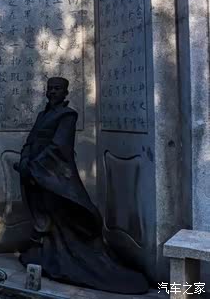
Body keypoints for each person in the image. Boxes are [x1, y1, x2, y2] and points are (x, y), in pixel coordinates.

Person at [12, 77, 148, 294]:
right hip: (36, 174)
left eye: (57, 89)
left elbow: (59, 147)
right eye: (50, 88)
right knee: (45, 216)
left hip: (54, 176)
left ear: (66, 92)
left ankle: (68, 258)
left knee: (62, 216)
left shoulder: (68, 115)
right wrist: (25, 160)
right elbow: (31, 140)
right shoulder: (42, 115)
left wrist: (35, 166)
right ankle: (49, 253)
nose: (52, 92)